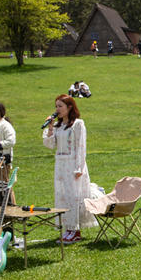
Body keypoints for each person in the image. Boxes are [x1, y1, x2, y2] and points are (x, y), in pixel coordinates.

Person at [42, 95, 97, 244]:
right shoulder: (58, 126)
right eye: (56, 106)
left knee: (74, 196)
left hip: (73, 164)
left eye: (60, 106)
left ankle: (75, 230)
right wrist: (50, 128)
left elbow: (81, 146)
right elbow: (49, 145)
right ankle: (68, 228)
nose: (57, 109)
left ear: (69, 107)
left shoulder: (78, 124)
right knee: (62, 196)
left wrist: (79, 167)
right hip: (60, 164)